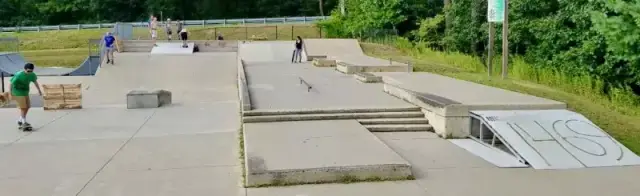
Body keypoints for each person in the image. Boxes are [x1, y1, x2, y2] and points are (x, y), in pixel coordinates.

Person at [9, 63, 42, 130]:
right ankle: (24, 122)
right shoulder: (18, 75)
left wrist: (39, 90)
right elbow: (11, 84)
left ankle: (20, 120)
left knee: (28, 106)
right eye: (28, 71)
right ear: (24, 69)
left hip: (25, 92)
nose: (29, 72)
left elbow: (35, 82)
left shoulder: (32, 75)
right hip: (17, 92)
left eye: (31, 71)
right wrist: (10, 93)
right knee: (23, 107)